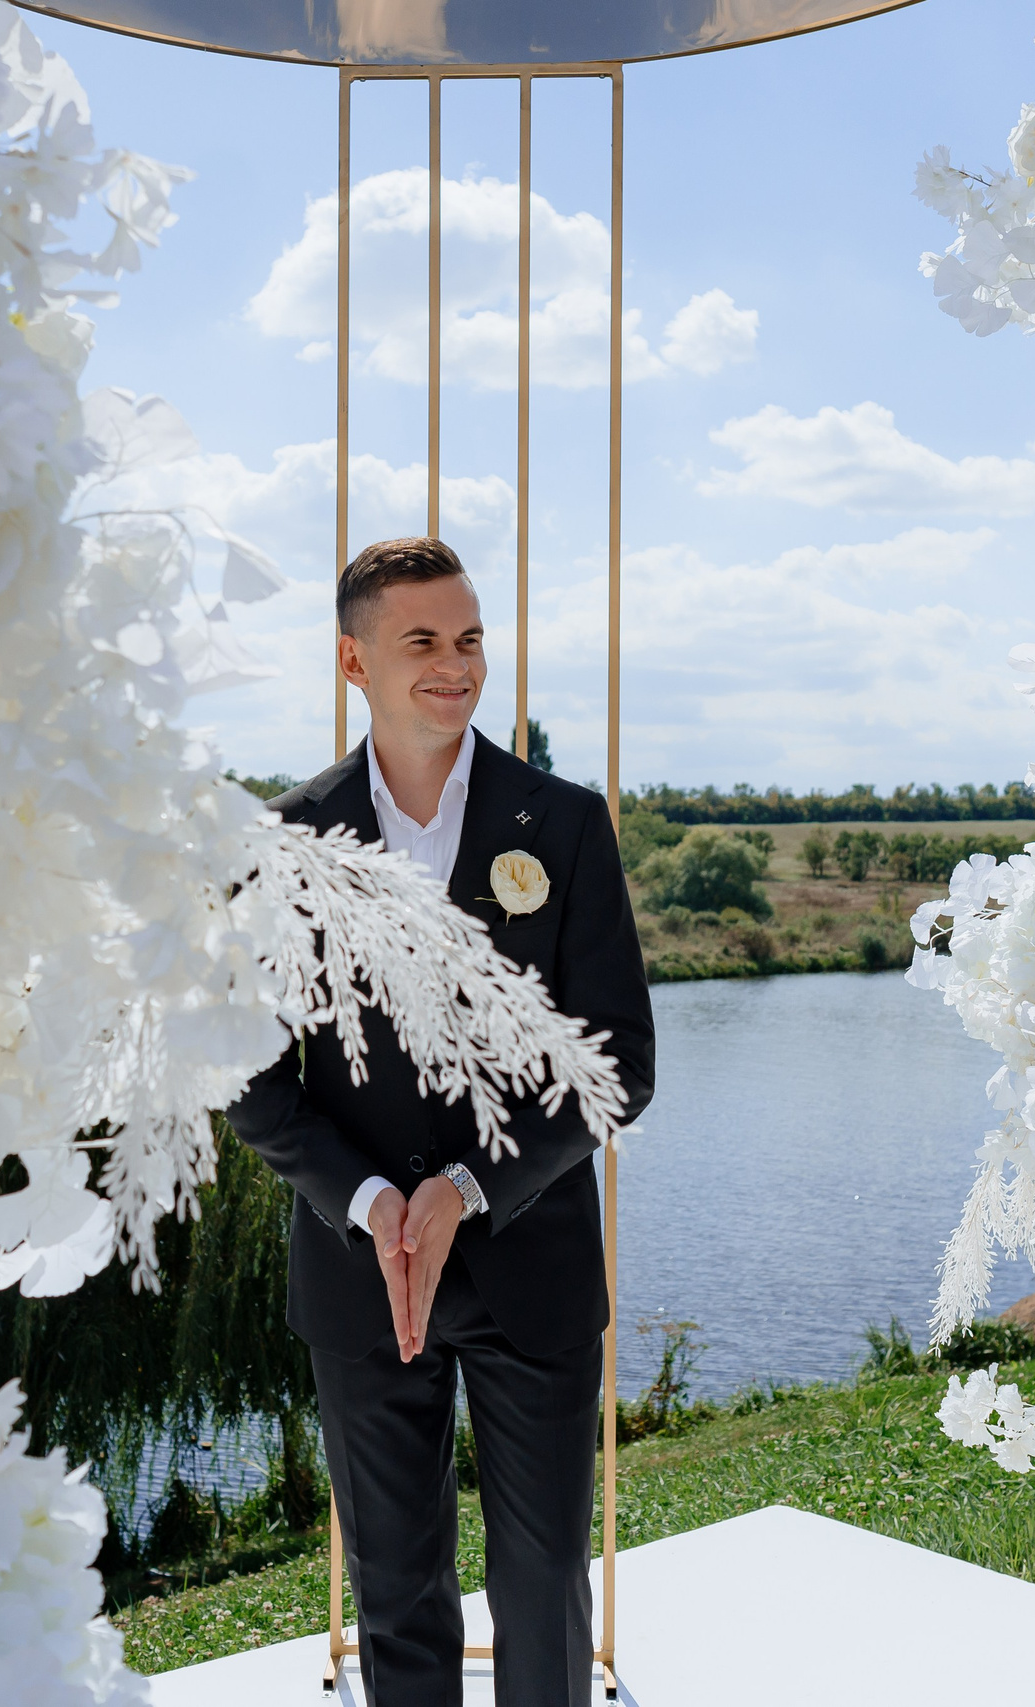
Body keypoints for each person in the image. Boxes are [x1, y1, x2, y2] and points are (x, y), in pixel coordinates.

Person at [227, 536, 655, 1706]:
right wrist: (373, 1205)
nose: (454, 665)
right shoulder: (284, 845)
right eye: (421, 640)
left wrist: (463, 1189)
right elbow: (252, 1077)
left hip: (532, 1262)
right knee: (395, 1588)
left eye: (468, 639)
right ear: (352, 660)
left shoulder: (560, 824)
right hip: (361, 1272)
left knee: (542, 1584)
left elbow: (614, 1061)